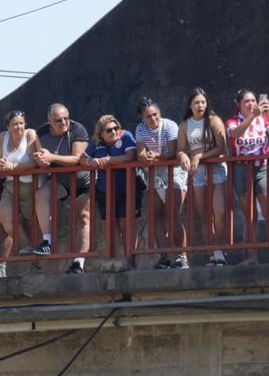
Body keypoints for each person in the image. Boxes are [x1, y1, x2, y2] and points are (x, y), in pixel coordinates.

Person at [26, 103, 91, 275]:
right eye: (58, 120)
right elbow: (43, 162)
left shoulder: (78, 130)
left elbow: (77, 159)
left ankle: (79, 262)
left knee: (84, 217)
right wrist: (41, 161)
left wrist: (51, 157)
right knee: (41, 195)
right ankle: (47, 242)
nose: (64, 122)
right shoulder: (42, 133)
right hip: (61, 182)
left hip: (84, 181)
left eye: (66, 118)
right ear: (49, 122)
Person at [226, 89, 269, 265]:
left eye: (253, 101)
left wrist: (268, 114)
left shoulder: (263, 118)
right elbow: (235, 134)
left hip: (263, 167)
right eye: (246, 102)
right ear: (239, 105)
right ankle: (252, 257)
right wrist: (252, 117)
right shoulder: (232, 121)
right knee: (249, 215)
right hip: (242, 169)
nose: (251, 104)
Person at [174, 89, 229, 267]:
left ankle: (219, 248)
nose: (200, 106)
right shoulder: (185, 125)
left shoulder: (213, 120)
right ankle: (214, 253)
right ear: (190, 105)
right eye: (196, 102)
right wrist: (183, 155)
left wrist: (199, 156)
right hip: (197, 173)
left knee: (219, 212)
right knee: (204, 215)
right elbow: (181, 149)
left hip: (216, 169)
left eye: (203, 102)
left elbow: (222, 148)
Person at [0, 110, 38, 279]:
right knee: (3, 214)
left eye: (21, 123)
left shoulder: (31, 134)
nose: (19, 127)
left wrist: (13, 167)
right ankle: (27, 248)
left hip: (30, 185)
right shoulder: (3, 137)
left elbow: (34, 162)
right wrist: (0, 166)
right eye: (15, 124)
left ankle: (35, 266)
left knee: (30, 225)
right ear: (8, 126)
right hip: (10, 185)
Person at [82, 114, 139, 265]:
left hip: (127, 188)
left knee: (126, 224)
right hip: (105, 191)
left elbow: (130, 156)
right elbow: (82, 158)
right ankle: (113, 260)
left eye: (116, 128)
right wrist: (90, 161)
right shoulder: (96, 142)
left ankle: (130, 260)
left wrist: (108, 161)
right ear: (101, 133)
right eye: (109, 130)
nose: (114, 132)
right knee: (110, 226)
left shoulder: (125, 136)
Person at [134, 97, 182, 268]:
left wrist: (156, 156)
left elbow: (173, 152)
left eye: (155, 115)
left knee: (173, 214)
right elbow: (140, 152)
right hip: (155, 174)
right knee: (156, 215)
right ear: (143, 118)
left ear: (160, 113)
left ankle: (181, 256)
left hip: (173, 171)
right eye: (148, 116)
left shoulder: (170, 126)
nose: (153, 119)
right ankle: (164, 257)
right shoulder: (140, 129)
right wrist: (145, 156)